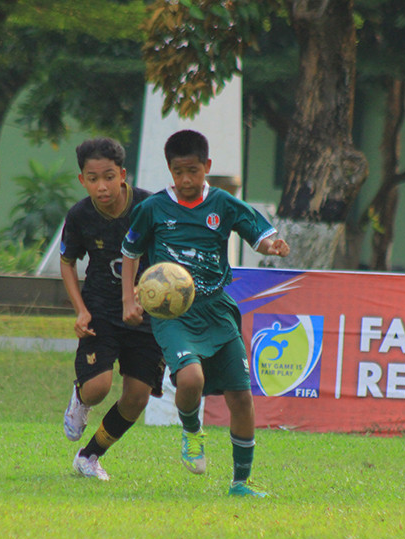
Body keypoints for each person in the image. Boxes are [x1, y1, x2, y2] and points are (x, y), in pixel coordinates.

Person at [121, 129, 290, 498]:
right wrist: (128, 301)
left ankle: (241, 482)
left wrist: (271, 245)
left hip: (216, 309)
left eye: (193, 171)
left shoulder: (222, 204)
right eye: (179, 172)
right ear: (169, 170)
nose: (186, 180)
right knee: (191, 379)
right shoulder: (153, 209)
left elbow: (257, 233)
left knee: (241, 397)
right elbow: (130, 251)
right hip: (173, 314)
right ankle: (191, 431)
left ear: (207, 166)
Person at [60, 137, 165, 481]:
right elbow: (67, 262)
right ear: (82, 180)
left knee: (137, 397)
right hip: (101, 310)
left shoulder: (149, 207)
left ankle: (89, 456)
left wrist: (146, 295)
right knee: (98, 388)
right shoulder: (80, 216)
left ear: (122, 174)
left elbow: (168, 257)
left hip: (145, 315)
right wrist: (80, 311)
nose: (102, 187)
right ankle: (80, 398)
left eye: (109, 177)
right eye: (93, 179)